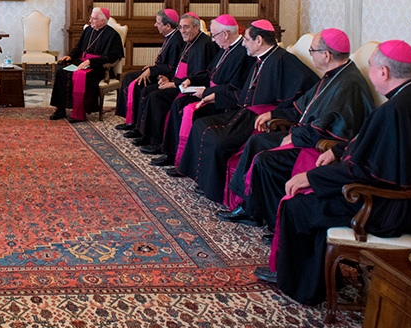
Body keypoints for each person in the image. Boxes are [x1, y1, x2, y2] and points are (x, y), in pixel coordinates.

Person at [257, 40, 411, 305]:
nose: (369, 74)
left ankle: (301, 285)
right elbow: (375, 150)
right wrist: (338, 151)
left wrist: (311, 178)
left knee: (299, 206)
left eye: (371, 67)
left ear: (384, 72)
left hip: (392, 208)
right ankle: (321, 274)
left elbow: (365, 172)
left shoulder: (393, 111)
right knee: (313, 198)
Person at [218, 29, 375, 227]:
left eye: (313, 51)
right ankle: (249, 207)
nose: (311, 54)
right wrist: (274, 114)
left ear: (326, 55)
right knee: (256, 141)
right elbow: (302, 107)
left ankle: (275, 220)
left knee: (266, 160)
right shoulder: (333, 75)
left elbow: (332, 128)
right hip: (306, 134)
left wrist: (295, 136)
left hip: (320, 145)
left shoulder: (349, 83)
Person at [174, 20, 319, 203]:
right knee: (201, 124)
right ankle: (204, 182)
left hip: (258, 119)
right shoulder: (260, 60)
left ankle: (216, 190)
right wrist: (216, 97)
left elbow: (307, 92)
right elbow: (244, 93)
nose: (243, 44)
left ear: (259, 40)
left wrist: (276, 114)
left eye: (247, 40)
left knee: (218, 140)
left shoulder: (284, 60)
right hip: (244, 113)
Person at [152, 15, 253, 170]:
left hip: (222, 101)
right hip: (209, 92)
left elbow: (234, 88)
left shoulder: (243, 54)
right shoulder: (225, 48)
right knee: (179, 103)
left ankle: (185, 161)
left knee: (186, 108)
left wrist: (206, 91)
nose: (212, 39)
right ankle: (172, 154)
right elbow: (209, 73)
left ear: (225, 34)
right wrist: (190, 80)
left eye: (214, 35)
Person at [129, 13, 217, 151]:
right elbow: (178, 67)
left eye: (186, 27)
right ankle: (146, 134)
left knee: (156, 97)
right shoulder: (189, 41)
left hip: (189, 87)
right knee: (147, 91)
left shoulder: (205, 44)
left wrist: (174, 84)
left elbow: (199, 75)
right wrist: (168, 78)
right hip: (178, 82)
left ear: (196, 27)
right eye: (180, 27)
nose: (182, 31)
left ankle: (157, 142)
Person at [49, 7, 125, 122]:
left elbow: (112, 56)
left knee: (82, 77)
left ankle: (79, 112)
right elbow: (79, 48)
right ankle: (60, 109)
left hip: (99, 68)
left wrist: (91, 62)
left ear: (102, 21)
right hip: (82, 64)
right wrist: (70, 56)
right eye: (91, 18)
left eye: (93, 19)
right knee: (61, 73)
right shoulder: (89, 30)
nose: (90, 21)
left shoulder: (113, 35)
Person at [115, 9, 183, 130]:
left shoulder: (177, 41)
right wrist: (152, 67)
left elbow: (171, 67)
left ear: (168, 26)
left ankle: (136, 125)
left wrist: (152, 70)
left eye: (158, 23)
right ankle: (130, 120)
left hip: (166, 76)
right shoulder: (170, 36)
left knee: (137, 84)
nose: (155, 25)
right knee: (128, 78)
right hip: (158, 71)